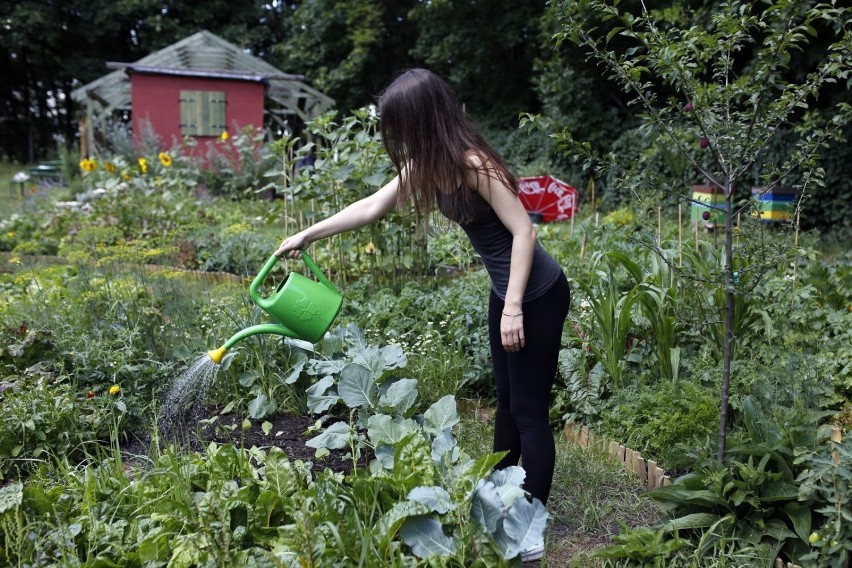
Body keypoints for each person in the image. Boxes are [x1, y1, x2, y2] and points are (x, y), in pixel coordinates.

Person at [275, 68, 570, 562]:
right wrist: (309, 234)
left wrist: (514, 306)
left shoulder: (475, 164)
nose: (397, 138)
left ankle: (530, 524)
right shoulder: (426, 165)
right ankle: (501, 493)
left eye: (400, 126)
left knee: (529, 412)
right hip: (508, 292)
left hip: (536, 292)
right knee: (504, 401)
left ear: (422, 121)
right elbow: (371, 206)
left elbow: (525, 232)